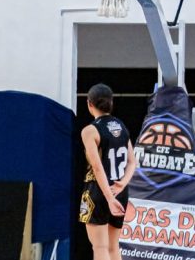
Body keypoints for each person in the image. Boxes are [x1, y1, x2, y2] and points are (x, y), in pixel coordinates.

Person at [79, 83, 137, 260]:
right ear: (111, 103)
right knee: (113, 247)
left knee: (100, 248)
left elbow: (97, 167)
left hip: (99, 191)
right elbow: (132, 162)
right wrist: (122, 184)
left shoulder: (90, 130)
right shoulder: (121, 126)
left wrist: (109, 198)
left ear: (90, 104)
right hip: (119, 190)